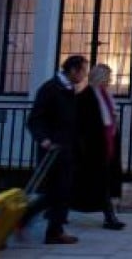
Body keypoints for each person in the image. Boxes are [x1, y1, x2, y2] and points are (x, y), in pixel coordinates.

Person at [21, 54, 88, 245]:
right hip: (53, 149)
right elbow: (35, 118)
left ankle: (53, 230)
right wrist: (43, 139)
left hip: (66, 148)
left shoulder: (68, 90)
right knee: (56, 191)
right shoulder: (51, 89)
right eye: (83, 71)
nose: (84, 75)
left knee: (62, 191)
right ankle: (31, 221)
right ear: (73, 70)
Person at [72, 63, 125, 230]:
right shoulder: (86, 96)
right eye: (108, 76)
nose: (110, 79)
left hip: (107, 141)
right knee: (101, 181)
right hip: (94, 145)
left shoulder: (105, 95)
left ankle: (109, 216)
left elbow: (110, 116)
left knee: (103, 180)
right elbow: (82, 124)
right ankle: (110, 217)